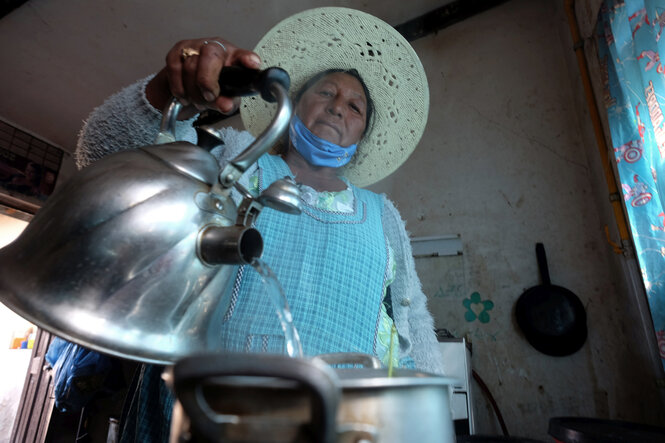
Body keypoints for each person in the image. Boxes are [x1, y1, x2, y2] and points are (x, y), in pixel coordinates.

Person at [75, 7, 445, 441]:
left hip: (338, 427)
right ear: (292, 105)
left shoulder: (382, 215)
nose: (338, 108)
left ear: (361, 135)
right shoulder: (234, 159)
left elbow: (413, 317)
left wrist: (431, 421)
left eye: (355, 106)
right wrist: (164, 93)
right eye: (325, 93)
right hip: (205, 419)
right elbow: (103, 159)